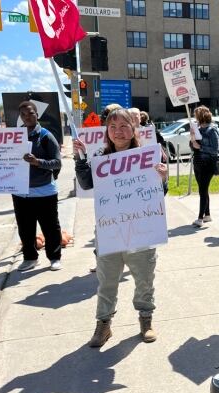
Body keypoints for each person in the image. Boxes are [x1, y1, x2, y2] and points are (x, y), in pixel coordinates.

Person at [73, 108, 168, 347]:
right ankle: (103, 325)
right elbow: (85, 183)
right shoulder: (101, 158)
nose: (118, 132)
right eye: (113, 127)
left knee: (144, 279)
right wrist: (80, 159)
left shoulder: (148, 156)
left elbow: (160, 193)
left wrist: (163, 178)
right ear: (107, 131)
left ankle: (146, 320)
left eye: (124, 126)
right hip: (110, 232)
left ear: (134, 128)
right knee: (106, 281)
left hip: (141, 232)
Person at [13, 101, 63, 272]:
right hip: (20, 192)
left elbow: (57, 163)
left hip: (44, 191)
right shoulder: (14, 137)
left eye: (31, 113)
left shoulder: (46, 136)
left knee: (50, 228)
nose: (27, 117)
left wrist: (37, 162)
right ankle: (30, 258)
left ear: (37, 114)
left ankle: (54, 257)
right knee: (25, 228)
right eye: (24, 115)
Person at [189, 106, 219, 227]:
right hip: (197, 162)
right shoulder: (198, 129)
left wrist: (200, 147)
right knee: (203, 189)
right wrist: (192, 138)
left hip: (208, 163)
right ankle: (207, 214)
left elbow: (215, 149)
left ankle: (200, 218)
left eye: (196, 115)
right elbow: (193, 146)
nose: (195, 118)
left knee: (202, 190)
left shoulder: (212, 130)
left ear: (201, 117)